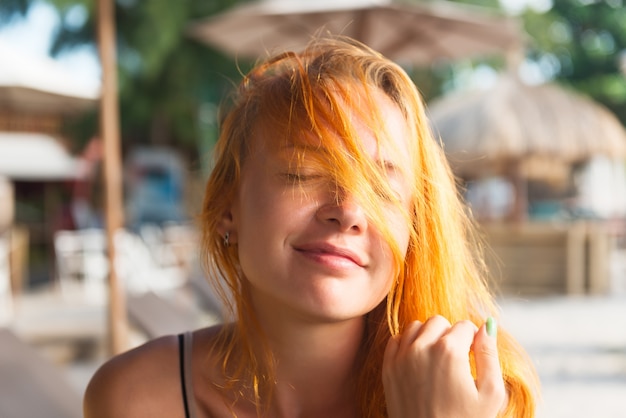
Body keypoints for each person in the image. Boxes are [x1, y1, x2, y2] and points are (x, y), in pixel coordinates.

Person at [84, 36, 538, 417]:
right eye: (304, 171)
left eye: (382, 188)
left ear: (414, 229)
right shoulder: (135, 397)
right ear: (227, 207)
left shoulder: (476, 397)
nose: (348, 211)